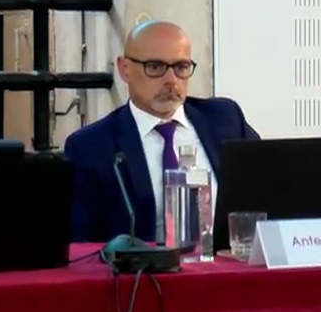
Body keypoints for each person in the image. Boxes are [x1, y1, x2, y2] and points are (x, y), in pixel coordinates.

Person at [64, 20, 259, 243]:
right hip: (142, 265)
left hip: (224, 262)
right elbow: (80, 244)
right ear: (124, 69)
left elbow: (269, 192)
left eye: (181, 67)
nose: (171, 80)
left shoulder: (225, 119)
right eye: (155, 67)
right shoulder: (91, 146)